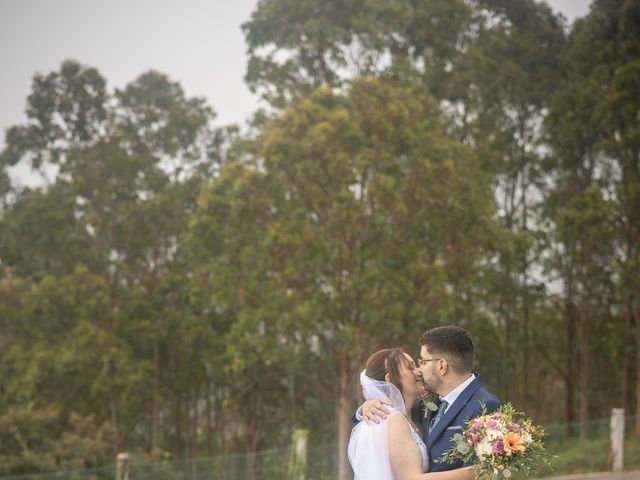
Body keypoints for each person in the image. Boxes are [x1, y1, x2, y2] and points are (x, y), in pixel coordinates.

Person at [359, 326, 501, 473]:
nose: (419, 370)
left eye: (423, 362)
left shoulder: (485, 406)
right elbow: (379, 427)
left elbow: (485, 472)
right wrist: (368, 405)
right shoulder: (426, 404)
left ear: (442, 366)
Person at [348, 348, 473, 480]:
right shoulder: (393, 419)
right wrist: (476, 471)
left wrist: (363, 408)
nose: (419, 371)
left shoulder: (403, 414)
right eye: (410, 367)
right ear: (389, 379)